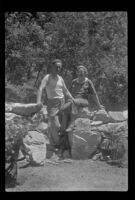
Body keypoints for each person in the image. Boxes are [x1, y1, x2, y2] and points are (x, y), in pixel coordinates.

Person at [37, 59, 74, 150]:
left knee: (63, 122)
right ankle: (56, 143)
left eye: (59, 67)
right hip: (52, 103)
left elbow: (65, 90)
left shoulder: (60, 78)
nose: (58, 68)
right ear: (52, 66)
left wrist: (73, 99)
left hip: (62, 101)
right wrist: (38, 101)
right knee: (54, 123)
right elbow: (41, 88)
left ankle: (62, 142)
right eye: (56, 66)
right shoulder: (47, 77)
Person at [59, 65, 104, 133]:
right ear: (77, 73)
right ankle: (62, 131)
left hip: (84, 101)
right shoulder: (74, 81)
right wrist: (67, 101)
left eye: (82, 72)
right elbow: (68, 93)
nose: (81, 73)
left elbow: (94, 94)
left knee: (73, 102)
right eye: (79, 72)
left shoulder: (88, 82)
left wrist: (99, 105)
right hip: (73, 101)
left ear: (85, 73)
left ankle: (72, 124)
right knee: (63, 109)